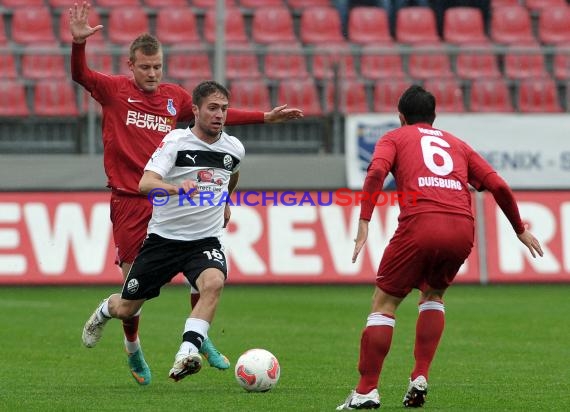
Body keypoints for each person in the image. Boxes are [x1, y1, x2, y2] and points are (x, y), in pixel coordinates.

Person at [70, 2, 303, 386]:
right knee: (134, 299)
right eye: (145, 67)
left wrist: (264, 117)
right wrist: (78, 45)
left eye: (157, 66)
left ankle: (198, 342)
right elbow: (80, 74)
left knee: (205, 278)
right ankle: (134, 350)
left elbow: (215, 118)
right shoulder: (113, 90)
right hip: (132, 198)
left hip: (174, 201)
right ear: (131, 66)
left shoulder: (174, 97)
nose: (152, 73)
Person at [336, 85, 543, 410]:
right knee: (432, 295)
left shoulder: (395, 137)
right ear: (434, 117)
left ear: (400, 116)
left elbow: (376, 170)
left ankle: (365, 391)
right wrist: (520, 229)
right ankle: (420, 376)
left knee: (384, 303)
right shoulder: (456, 143)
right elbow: (498, 185)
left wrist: (364, 221)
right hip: (462, 227)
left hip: (421, 223)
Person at [82, 80, 244, 383]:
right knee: (127, 308)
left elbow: (231, 175)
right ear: (195, 110)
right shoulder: (176, 142)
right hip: (164, 242)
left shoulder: (234, 148)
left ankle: (186, 354)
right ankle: (105, 310)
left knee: (213, 283)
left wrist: (225, 201)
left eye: (223, 108)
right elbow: (145, 183)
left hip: (204, 241)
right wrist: (174, 188)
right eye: (212, 108)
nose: (219, 114)